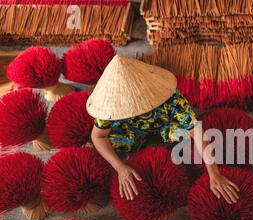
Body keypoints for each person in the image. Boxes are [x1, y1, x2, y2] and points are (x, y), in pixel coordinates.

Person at [88, 55, 239, 204]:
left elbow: (196, 131)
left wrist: (214, 173)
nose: (140, 110)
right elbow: (98, 137)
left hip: (165, 125)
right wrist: (119, 166)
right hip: (130, 131)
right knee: (113, 144)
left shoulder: (171, 98)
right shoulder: (109, 109)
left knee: (185, 136)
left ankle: (164, 137)